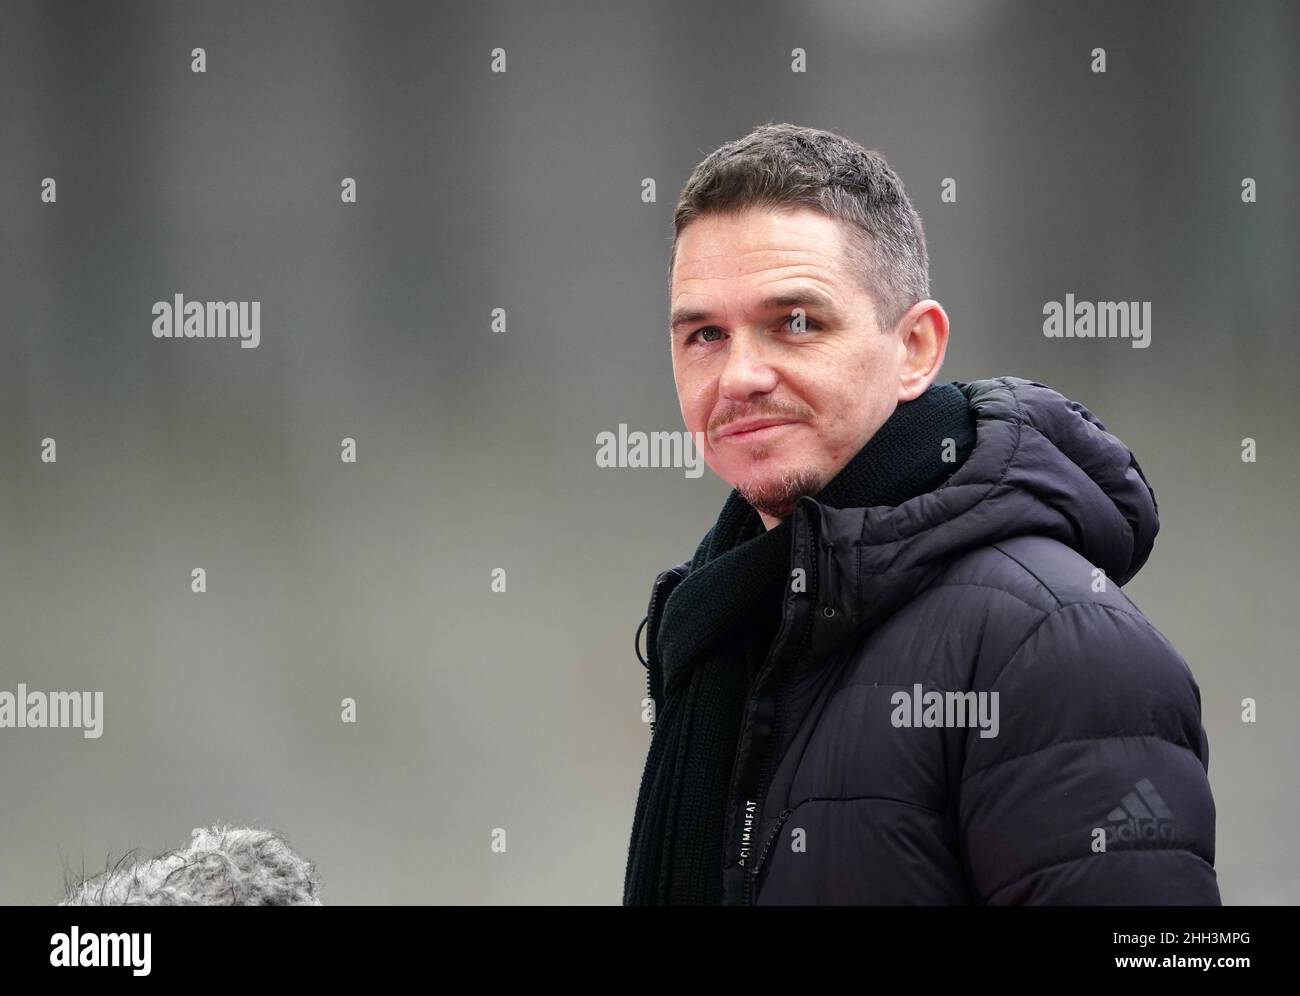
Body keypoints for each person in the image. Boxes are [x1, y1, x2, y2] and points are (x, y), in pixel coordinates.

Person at [623, 122, 1220, 905]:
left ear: (916, 348)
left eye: (795, 322)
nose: (740, 375)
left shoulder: (1055, 643)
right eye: (704, 334)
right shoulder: (725, 624)